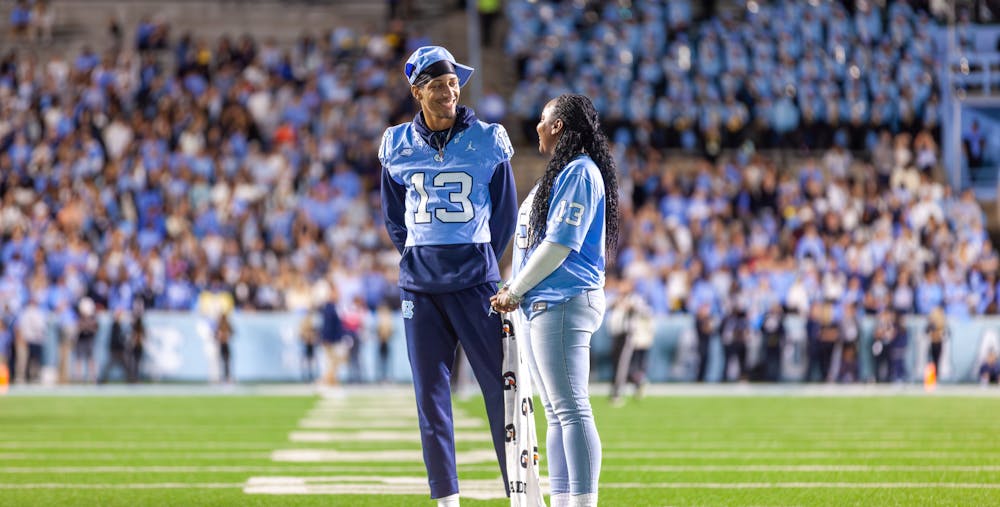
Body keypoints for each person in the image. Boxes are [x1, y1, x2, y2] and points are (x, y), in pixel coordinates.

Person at [379, 45, 517, 506]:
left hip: (475, 280)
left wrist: (481, 262)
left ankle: (517, 490)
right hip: (421, 284)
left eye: (454, 82)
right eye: (438, 84)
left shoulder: (488, 138)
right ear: (417, 91)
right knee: (430, 400)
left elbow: (505, 216)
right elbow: (394, 218)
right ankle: (447, 499)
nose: (449, 90)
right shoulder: (396, 143)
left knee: (501, 391)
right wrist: (420, 256)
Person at [491, 93, 620, 507]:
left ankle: (582, 503)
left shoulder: (580, 172)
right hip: (543, 302)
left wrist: (515, 289)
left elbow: (559, 244)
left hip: (561, 298)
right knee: (556, 410)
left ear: (559, 126)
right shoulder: (563, 172)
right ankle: (564, 501)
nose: (538, 128)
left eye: (543, 120)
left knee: (571, 409)